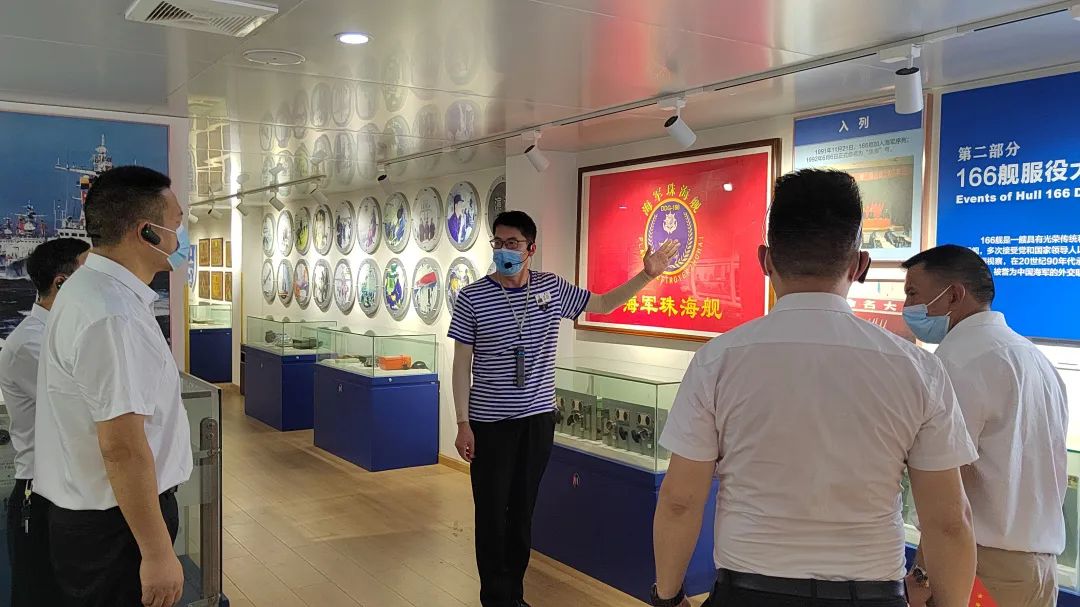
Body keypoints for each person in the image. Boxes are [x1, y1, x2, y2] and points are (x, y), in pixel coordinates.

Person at [650, 169, 978, 607]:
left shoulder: (717, 360)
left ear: (766, 260)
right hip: (871, 595)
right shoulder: (919, 370)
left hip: (748, 593)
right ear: (860, 265)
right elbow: (950, 522)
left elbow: (680, 501)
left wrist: (668, 597)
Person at [449, 210, 678, 607]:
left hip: (537, 421)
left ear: (531, 249)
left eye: (512, 244)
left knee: (522, 512)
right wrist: (462, 422)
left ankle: (513, 595)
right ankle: (495, 598)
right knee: (491, 513)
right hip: (489, 424)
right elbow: (461, 364)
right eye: (498, 243)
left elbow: (602, 304)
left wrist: (647, 275)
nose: (504, 251)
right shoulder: (473, 297)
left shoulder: (551, 288)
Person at [34, 166, 193, 607]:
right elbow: (121, 446)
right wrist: (157, 553)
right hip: (117, 527)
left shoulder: (91, 291)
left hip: (106, 518)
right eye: (177, 223)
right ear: (148, 233)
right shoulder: (112, 314)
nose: (181, 237)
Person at [902, 245, 1068, 607]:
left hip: (979, 567)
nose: (907, 306)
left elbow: (948, 492)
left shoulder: (957, 362)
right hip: (1039, 569)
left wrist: (923, 574)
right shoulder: (1034, 358)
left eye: (913, 293)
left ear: (954, 295)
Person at [0, 237, 89, 606]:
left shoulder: (63, 334)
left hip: (69, 490)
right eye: (91, 276)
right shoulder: (31, 344)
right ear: (61, 284)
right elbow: (86, 408)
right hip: (39, 496)